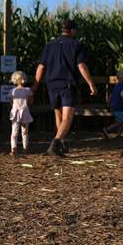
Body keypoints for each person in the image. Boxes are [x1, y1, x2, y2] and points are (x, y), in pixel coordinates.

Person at [32, 19, 97, 157]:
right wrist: (91, 83)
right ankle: (55, 144)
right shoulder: (76, 45)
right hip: (67, 84)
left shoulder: (49, 45)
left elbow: (41, 66)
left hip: (51, 84)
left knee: (58, 114)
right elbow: (81, 66)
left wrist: (35, 86)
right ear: (72, 30)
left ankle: (61, 144)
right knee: (68, 117)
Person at [9, 71, 34, 157]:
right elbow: (31, 101)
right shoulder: (28, 90)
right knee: (25, 132)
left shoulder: (12, 91)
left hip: (15, 113)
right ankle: (25, 148)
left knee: (14, 132)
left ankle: (14, 148)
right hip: (25, 112)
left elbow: (11, 102)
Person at [102, 70, 123, 139]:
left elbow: (111, 95)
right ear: (121, 78)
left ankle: (118, 135)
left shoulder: (116, 85)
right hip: (118, 106)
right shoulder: (122, 85)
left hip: (114, 106)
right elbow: (122, 94)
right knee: (120, 122)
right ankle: (107, 129)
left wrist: (108, 104)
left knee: (122, 121)